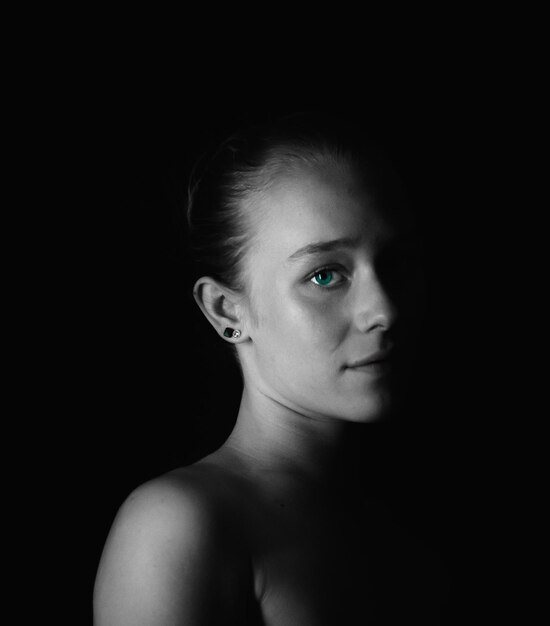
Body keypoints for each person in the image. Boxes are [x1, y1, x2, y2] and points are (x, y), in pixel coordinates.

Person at [93, 111, 447, 624]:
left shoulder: (410, 511)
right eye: (325, 275)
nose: (385, 309)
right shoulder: (181, 527)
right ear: (227, 310)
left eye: (395, 261)